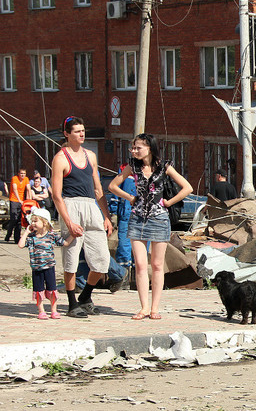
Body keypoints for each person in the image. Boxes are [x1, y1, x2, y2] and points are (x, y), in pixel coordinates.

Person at [109, 133, 193, 320]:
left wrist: (169, 202)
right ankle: (144, 307)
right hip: (137, 218)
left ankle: (155, 308)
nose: (134, 151)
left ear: (149, 148)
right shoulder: (133, 166)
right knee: (139, 264)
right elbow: (113, 186)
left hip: (159, 219)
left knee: (156, 264)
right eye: (133, 147)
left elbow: (187, 187)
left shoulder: (164, 166)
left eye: (138, 147)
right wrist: (130, 198)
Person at [51, 116, 114, 318]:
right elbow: (56, 194)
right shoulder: (60, 158)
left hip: (91, 207)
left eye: (83, 130)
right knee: (71, 259)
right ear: (67, 134)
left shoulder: (90, 156)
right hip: (71, 205)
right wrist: (69, 222)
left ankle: (85, 296)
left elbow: (98, 189)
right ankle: (71, 303)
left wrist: (106, 216)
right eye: (77, 131)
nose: (81, 134)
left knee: (102, 260)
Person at [18, 207, 74, 319]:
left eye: (35, 221)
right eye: (32, 221)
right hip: (36, 268)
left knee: (52, 289)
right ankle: (41, 311)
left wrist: (74, 234)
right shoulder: (31, 238)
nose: (32, 223)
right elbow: (20, 245)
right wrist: (26, 232)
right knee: (38, 290)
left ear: (44, 222)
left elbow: (65, 243)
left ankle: (54, 310)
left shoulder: (51, 236)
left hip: (49, 267)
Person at [6, 168, 31, 244]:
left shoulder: (26, 179)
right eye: (21, 174)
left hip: (22, 201)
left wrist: (29, 199)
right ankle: (8, 234)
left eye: (24, 174)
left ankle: (17, 238)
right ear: (18, 174)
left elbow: (28, 189)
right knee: (14, 218)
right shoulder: (15, 178)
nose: (23, 175)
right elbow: (15, 189)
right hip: (14, 200)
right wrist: (19, 199)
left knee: (19, 220)